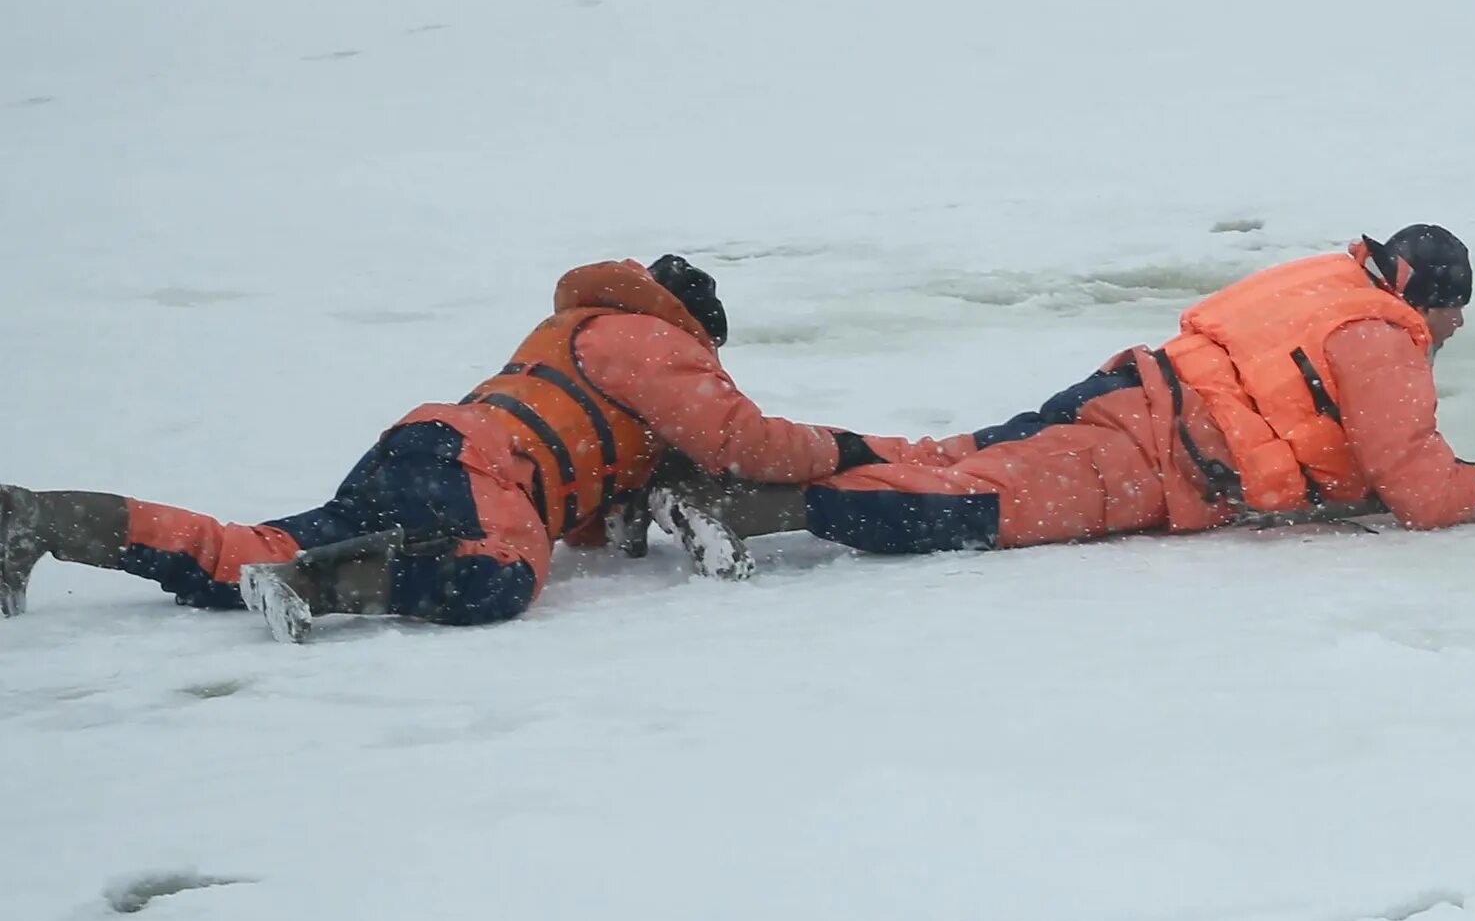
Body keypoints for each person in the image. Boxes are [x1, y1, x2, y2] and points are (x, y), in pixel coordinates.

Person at [0, 256, 903, 639]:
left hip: (425, 446)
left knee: (250, 551)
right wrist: (843, 444)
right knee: (500, 575)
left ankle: (46, 520)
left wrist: (634, 498)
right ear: (696, 325)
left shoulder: (576, 337)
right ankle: (322, 583)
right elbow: (746, 443)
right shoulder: (650, 340)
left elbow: (583, 509)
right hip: (480, 468)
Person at [649, 226, 1475, 575]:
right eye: (1455, 317)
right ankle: (743, 503)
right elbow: (1424, 495)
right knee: (978, 502)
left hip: (1132, 385)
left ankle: (734, 463)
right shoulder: (1384, 338)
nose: (1450, 335)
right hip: (1160, 458)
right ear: (1435, 300)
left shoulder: (1326, 278)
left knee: (951, 453)